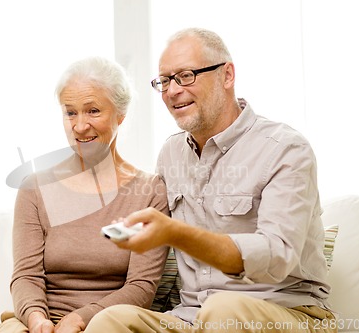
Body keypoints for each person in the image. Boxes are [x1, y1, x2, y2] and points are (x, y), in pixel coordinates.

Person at [83, 28, 336, 333]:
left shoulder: (285, 148)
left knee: (222, 309)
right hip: (192, 317)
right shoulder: (171, 153)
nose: (172, 91)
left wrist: (176, 233)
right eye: (164, 81)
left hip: (286, 312)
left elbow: (277, 256)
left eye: (186, 75)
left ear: (227, 75)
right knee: (111, 321)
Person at [0, 57, 169, 333]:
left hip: (110, 323)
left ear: (120, 115)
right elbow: (26, 276)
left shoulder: (150, 192)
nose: (79, 126)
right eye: (70, 113)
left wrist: (80, 320)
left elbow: (141, 287)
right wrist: (38, 321)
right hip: (41, 323)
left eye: (93, 111)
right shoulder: (35, 188)